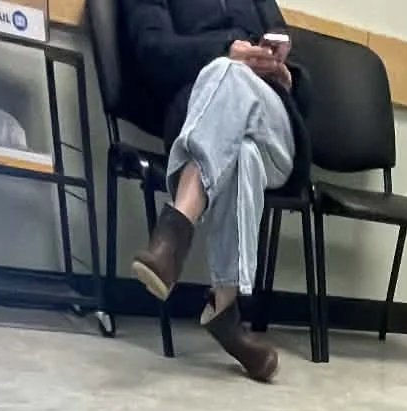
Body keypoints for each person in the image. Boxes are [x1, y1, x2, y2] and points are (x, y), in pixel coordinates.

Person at [117, 2, 312, 382]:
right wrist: (227, 49)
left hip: (277, 129)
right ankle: (226, 310)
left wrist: (286, 75)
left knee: (234, 79)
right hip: (202, 113)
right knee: (241, 151)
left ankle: (176, 226)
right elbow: (151, 54)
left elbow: (302, 75)